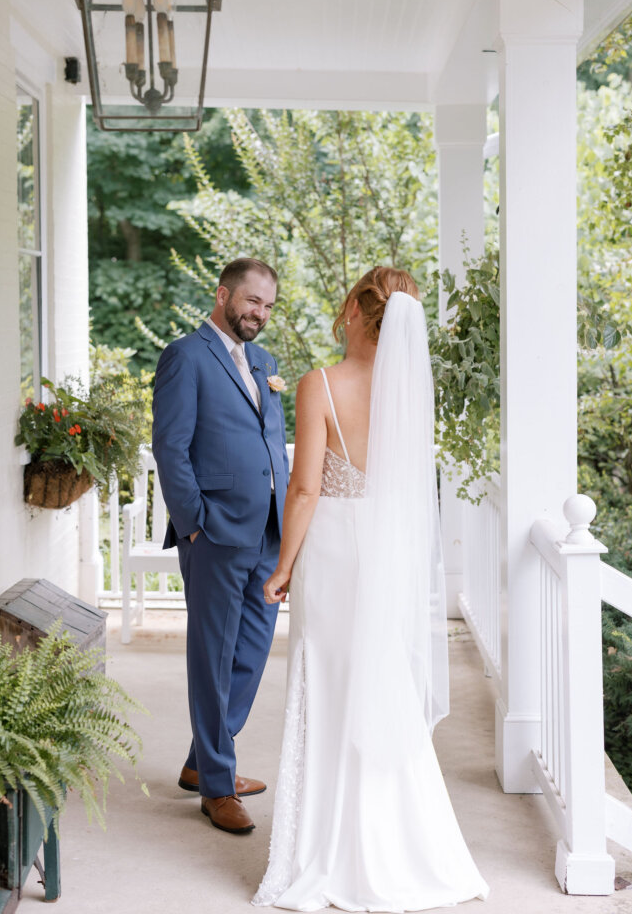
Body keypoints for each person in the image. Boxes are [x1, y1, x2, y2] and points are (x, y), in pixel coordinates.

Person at [254, 267, 488, 910]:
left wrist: (281, 567)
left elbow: (303, 489)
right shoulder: (407, 393)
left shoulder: (319, 385)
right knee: (377, 680)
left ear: (355, 311)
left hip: (331, 551)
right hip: (385, 554)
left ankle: (325, 847)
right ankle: (401, 843)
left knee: (327, 681)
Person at [152, 257, 289, 835]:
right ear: (223, 294)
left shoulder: (265, 363)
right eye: (252, 301)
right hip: (214, 532)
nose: (259, 313)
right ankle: (216, 784)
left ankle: (202, 759)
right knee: (212, 657)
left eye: (268, 306)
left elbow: (270, 441)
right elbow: (171, 447)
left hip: (268, 531)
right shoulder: (186, 356)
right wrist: (195, 524)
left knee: (251, 654)